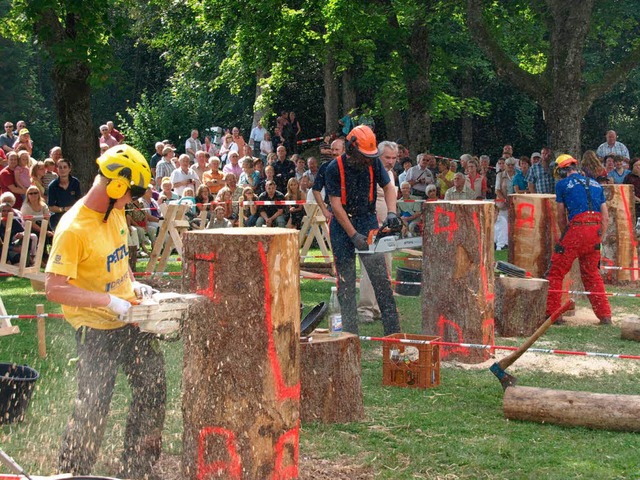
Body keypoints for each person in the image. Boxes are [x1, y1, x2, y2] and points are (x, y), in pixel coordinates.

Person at [45, 145, 166, 478]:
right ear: (115, 187)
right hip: (95, 329)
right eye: (130, 194)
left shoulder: (113, 212)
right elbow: (54, 288)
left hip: (130, 319)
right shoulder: (73, 229)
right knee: (93, 406)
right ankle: (71, 473)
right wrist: (108, 302)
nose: (132, 201)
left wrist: (133, 285)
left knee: (153, 388)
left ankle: (138, 468)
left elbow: (118, 259)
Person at [325, 125, 401, 336]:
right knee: (346, 280)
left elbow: (388, 187)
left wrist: (392, 213)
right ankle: (350, 332)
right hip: (342, 225)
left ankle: (393, 332)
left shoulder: (374, 162)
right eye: (364, 157)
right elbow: (336, 206)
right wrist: (353, 235)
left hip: (367, 219)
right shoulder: (333, 168)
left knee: (381, 279)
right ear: (351, 150)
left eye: (370, 157)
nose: (367, 161)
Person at [545, 154, 611, 325]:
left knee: (556, 271)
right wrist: (599, 238)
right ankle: (605, 316)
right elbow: (605, 217)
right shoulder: (596, 184)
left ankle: (553, 315)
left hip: (577, 228)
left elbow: (560, 215)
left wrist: (564, 236)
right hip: (595, 230)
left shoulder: (562, 185)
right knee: (592, 274)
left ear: (560, 171)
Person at [47, 159, 82, 230]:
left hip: (73, 217)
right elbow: (51, 207)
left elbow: (79, 202)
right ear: (57, 169)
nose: (62, 170)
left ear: (69, 169)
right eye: (60, 167)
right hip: (58, 218)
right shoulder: (52, 186)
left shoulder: (75, 183)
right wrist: (64, 209)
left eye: (65, 167)